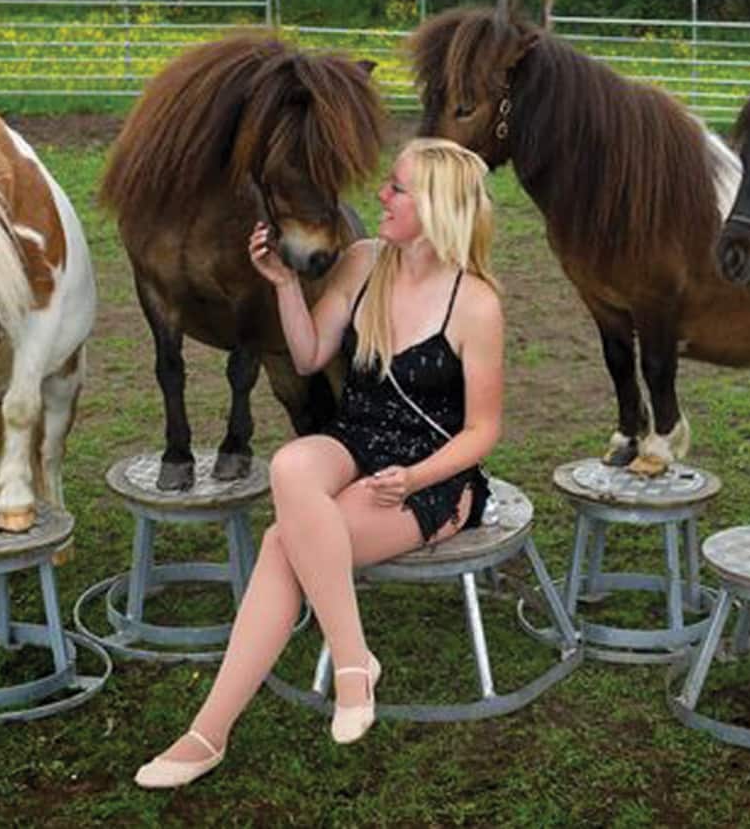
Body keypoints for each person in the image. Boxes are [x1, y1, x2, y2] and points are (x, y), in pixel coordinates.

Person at [135, 137, 504, 789]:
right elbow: (307, 356)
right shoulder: (363, 262)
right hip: (355, 441)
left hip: (433, 474)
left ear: (436, 207)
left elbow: (483, 431)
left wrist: (416, 478)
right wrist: (283, 285)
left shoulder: (475, 303)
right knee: (291, 464)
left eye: (396, 188)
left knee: (283, 544)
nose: (380, 196)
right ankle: (355, 662)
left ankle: (207, 733)